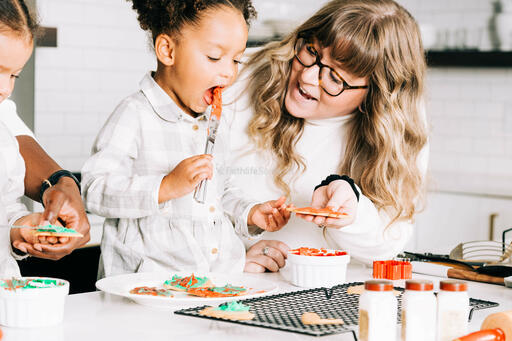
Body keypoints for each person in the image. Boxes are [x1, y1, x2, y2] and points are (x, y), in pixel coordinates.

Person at [81, 0, 290, 278]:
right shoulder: (135, 115)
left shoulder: (215, 122)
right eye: (215, 57)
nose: (229, 72)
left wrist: (250, 213)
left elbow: (217, 193)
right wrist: (165, 186)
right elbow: (94, 191)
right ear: (168, 50)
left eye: (236, 60)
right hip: (144, 288)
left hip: (209, 283)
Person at [222, 0, 429, 272]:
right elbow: (179, 187)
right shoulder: (236, 72)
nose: (307, 77)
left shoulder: (398, 129)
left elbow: (386, 248)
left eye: (334, 77)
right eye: (311, 51)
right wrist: (230, 256)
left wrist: (351, 212)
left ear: (374, 95)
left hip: (326, 293)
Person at [0, 0, 88, 276]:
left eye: (14, 75)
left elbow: (6, 208)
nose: (5, 89)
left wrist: (25, 226)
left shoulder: (4, 141)